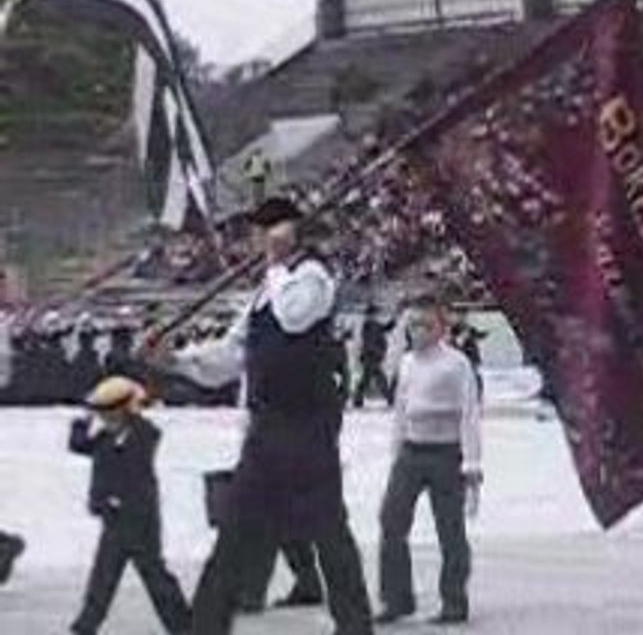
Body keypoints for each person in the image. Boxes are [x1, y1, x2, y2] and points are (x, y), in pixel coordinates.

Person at [169, 196, 373, 635]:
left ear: (288, 231)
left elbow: (295, 319)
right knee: (235, 531)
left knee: (328, 533)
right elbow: (232, 352)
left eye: (265, 230)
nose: (258, 239)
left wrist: (279, 267)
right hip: (266, 430)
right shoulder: (266, 289)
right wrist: (178, 360)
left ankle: (355, 625)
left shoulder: (312, 278)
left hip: (308, 429)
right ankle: (204, 625)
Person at [375, 295, 482, 626]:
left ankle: (454, 600)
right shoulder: (407, 362)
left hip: (445, 453)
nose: (417, 332)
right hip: (412, 450)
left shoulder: (456, 364)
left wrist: (472, 465)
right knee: (391, 521)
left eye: (425, 325)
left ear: (441, 328)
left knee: (449, 529)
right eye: (413, 326)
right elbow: (400, 412)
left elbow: (470, 415)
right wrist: (396, 452)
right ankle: (396, 598)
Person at [67, 377, 191, 635]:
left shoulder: (143, 435)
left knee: (155, 576)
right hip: (114, 518)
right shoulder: (106, 437)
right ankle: (85, 626)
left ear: (126, 410)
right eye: (102, 414)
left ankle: (185, 627)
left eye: (109, 413)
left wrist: (115, 499)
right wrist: (84, 419)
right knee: (103, 578)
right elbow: (78, 445)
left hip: (139, 520)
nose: (105, 420)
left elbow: (133, 472)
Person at [355, 304, 395, 408]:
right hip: (371, 356)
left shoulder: (374, 325)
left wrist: (394, 319)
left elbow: (386, 328)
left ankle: (358, 399)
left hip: (373, 356)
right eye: (373, 314)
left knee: (366, 379)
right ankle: (390, 398)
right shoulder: (368, 326)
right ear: (370, 315)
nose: (375, 316)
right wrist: (375, 352)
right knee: (379, 378)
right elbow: (369, 342)